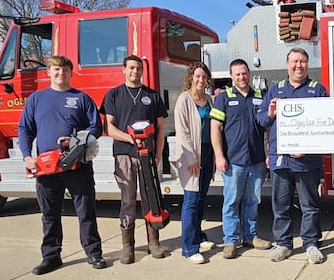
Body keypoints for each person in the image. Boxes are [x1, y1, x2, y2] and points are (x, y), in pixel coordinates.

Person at [17, 55, 107, 275]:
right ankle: (51, 256)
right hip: (46, 168)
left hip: (77, 165)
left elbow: (96, 127)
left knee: (86, 211)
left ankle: (93, 253)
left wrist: (76, 140)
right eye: (56, 69)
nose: (61, 73)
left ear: (70, 73)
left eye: (65, 69)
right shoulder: (36, 99)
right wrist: (27, 156)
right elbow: (25, 129)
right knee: (49, 214)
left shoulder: (81, 98)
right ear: (48, 72)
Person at [256, 47, 329, 264]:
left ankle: (311, 244)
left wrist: (308, 147)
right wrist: (270, 113)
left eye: (303, 61)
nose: (299, 65)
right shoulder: (275, 89)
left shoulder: (317, 90)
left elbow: (327, 124)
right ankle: (283, 244)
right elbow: (261, 120)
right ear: (287, 64)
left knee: (310, 206)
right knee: (280, 205)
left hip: (308, 160)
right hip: (281, 159)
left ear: (308, 64)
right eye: (295, 61)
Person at [100, 55, 169, 264]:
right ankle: (128, 246)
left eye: (138, 68)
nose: (135, 71)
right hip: (124, 155)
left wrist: (158, 153)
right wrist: (129, 138)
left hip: (148, 156)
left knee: (151, 199)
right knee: (128, 200)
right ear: (123, 69)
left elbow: (160, 129)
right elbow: (108, 127)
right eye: (131, 68)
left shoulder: (152, 96)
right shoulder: (113, 95)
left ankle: (153, 242)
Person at [211, 59, 272, 259]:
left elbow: (268, 127)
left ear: (249, 73)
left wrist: (269, 153)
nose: (241, 77)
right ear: (231, 76)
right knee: (231, 202)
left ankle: (250, 236)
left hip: (256, 160)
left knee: (252, 201)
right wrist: (219, 156)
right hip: (233, 161)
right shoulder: (223, 98)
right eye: (237, 74)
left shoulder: (260, 96)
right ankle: (230, 240)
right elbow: (215, 128)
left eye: (244, 73)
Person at [173, 61, 216, 264]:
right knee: (191, 200)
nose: (201, 80)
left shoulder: (209, 100)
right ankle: (189, 247)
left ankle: (198, 236)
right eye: (197, 76)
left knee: (201, 199)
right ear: (191, 77)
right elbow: (182, 132)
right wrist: (191, 158)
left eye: (204, 77)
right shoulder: (184, 100)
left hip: (207, 153)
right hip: (191, 155)